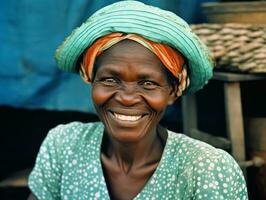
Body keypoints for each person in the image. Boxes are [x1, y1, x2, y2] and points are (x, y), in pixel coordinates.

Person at [28, 1, 248, 199]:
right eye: (110, 79)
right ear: (91, 80)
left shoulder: (207, 168)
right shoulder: (64, 146)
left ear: (173, 92)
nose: (126, 97)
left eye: (148, 83)